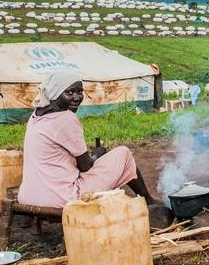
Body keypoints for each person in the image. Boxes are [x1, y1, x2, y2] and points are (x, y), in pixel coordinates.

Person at [15, 70, 156, 209]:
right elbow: (86, 167)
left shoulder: (35, 115)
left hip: (29, 196)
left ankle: (148, 201)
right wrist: (97, 155)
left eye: (80, 92)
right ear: (54, 93)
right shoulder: (66, 118)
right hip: (62, 198)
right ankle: (149, 202)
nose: (76, 98)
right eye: (69, 92)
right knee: (123, 154)